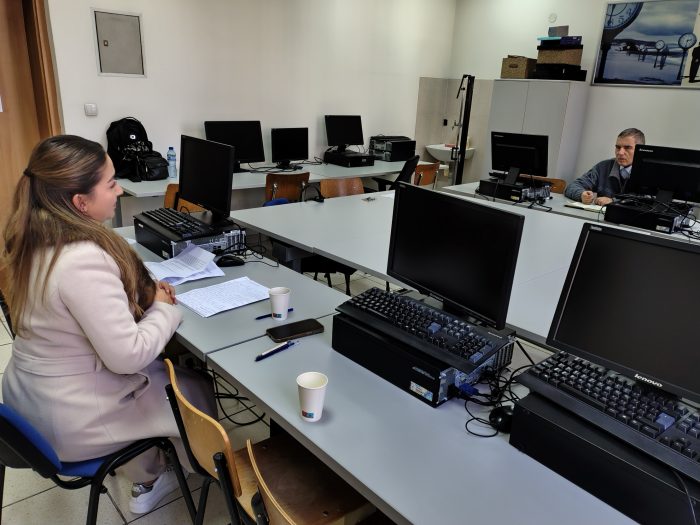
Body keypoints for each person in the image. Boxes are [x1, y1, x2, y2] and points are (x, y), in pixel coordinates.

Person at [0, 135, 216, 515]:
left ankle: (151, 467)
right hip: (68, 421)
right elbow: (128, 357)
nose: (119, 191)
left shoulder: (31, 238)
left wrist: (142, 296)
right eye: (111, 183)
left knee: (161, 373)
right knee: (191, 387)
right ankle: (183, 473)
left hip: (27, 401)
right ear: (80, 202)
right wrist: (163, 309)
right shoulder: (81, 258)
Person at [564, 128, 646, 206]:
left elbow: (649, 201)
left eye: (627, 148)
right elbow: (572, 186)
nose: (620, 152)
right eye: (618, 147)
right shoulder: (603, 167)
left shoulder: (647, 172)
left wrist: (613, 201)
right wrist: (581, 195)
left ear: (640, 150)